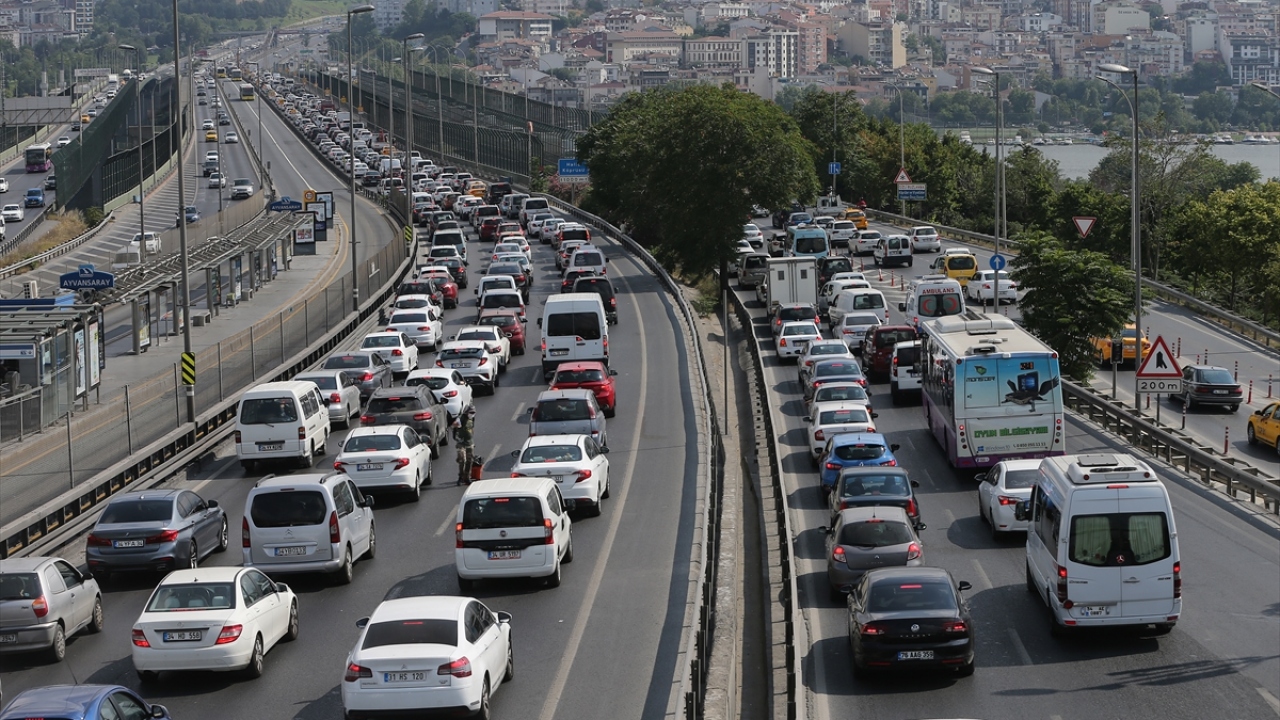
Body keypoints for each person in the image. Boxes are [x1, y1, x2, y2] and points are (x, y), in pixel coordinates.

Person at [453, 405, 477, 485]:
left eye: (473, 413)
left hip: (469, 442)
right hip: (461, 442)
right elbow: (455, 425)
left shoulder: (472, 418)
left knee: (469, 460)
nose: (472, 414)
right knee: (462, 460)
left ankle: (467, 477)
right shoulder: (461, 418)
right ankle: (461, 476)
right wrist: (456, 425)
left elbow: (472, 428)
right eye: (471, 412)